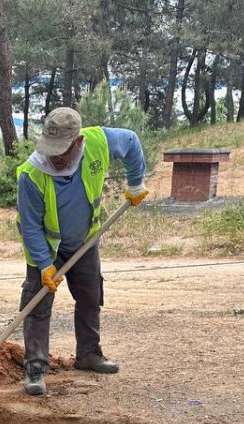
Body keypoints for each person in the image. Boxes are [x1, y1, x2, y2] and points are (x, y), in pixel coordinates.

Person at [16, 106, 148, 396]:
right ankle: (36, 367)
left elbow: (132, 142)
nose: (56, 158)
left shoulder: (100, 141)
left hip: (85, 241)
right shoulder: (31, 175)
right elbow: (31, 227)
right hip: (47, 248)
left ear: (78, 143)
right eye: (51, 151)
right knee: (37, 305)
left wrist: (136, 183)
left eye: (62, 152)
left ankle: (89, 354)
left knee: (90, 296)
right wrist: (44, 265)